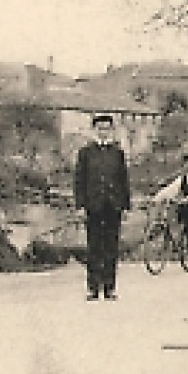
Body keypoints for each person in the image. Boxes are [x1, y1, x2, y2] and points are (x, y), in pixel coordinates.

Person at [74, 114, 131, 301]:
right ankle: (93, 287)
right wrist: (80, 205)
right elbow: (79, 180)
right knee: (94, 246)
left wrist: (125, 205)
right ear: (94, 130)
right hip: (93, 206)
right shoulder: (85, 153)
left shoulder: (117, 153)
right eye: (100, 128)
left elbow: (123, 180)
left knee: (111, 247)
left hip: (113, 206)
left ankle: (109, 287)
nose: (104, 132)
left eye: (107, 128)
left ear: (111, 131)